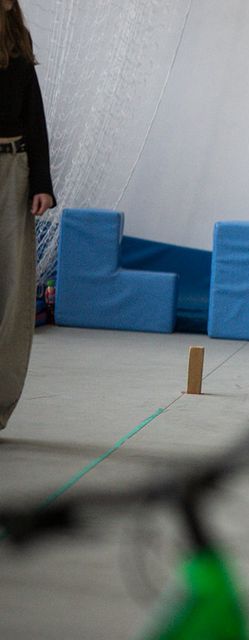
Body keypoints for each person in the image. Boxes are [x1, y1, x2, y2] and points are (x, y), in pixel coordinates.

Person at [1, 0, 55, 430]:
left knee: (15, 288)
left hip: (13, 168)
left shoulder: (18, 43)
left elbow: (34, 118)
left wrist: (41, 183)